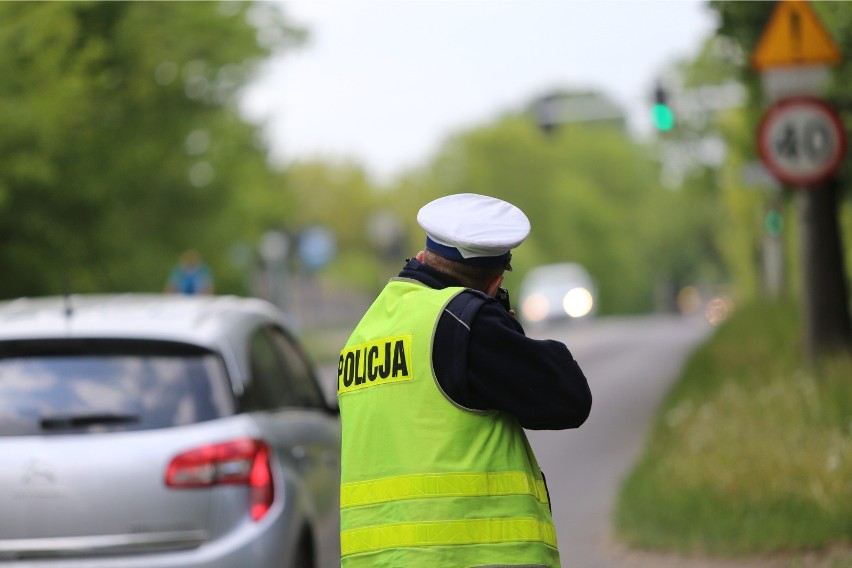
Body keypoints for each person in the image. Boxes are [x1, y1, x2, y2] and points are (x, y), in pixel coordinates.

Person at [337, 193, 592, 568]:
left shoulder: (365, 331)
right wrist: (504, 325)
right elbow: (569, 398)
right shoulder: (463, 325)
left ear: (423, 256)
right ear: (496, 278)